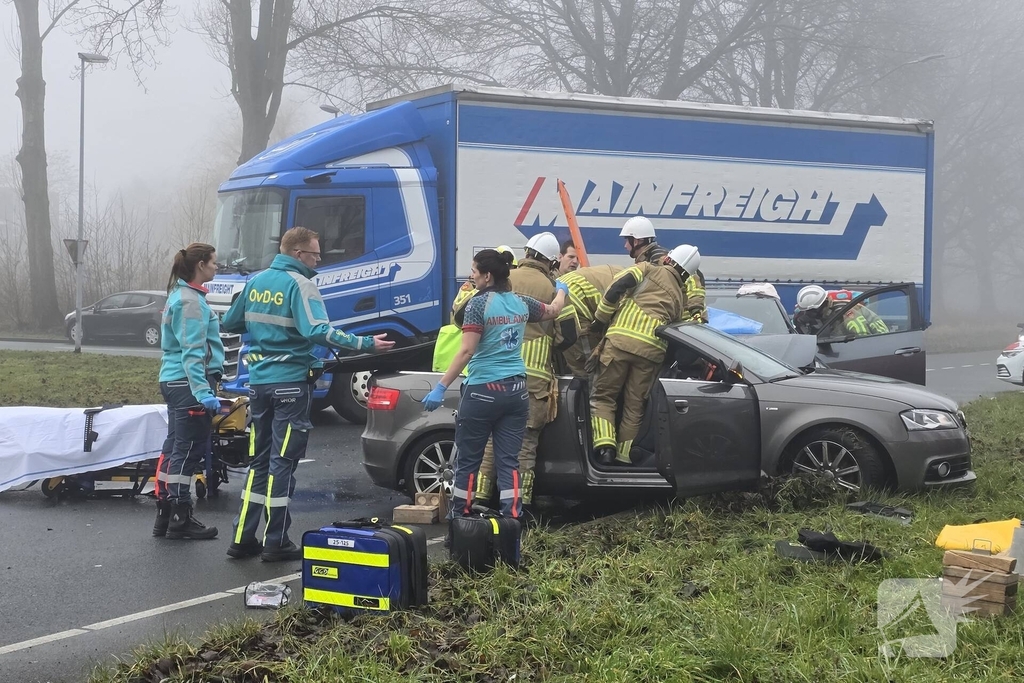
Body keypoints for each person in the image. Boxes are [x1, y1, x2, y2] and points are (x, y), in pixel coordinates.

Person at [221, 226, 394, 561]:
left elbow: (231, 322)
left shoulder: (256, 281)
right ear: (298, 254)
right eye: (315, 254)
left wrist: (264, 331)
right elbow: (317, 330)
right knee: (283, 464)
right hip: (290, 383)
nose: (318, 260)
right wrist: (366, 344)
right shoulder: (301, 284)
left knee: (259, 462)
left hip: (259, 385)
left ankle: (242, 538)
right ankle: (276, 541)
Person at [423, 248, 568, 520]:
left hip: (483, 392)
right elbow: (554, 310)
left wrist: (441, 386)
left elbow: (466, 351)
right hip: (516, 392)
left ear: (487, 276)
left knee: (468, 462)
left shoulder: (478, 305)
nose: (471, 275)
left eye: (474, 271)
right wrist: (561, 289)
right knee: (509, 462)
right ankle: (511, 520)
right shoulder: (521, 302)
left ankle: (461, 520)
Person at [472, 232, 577, 513]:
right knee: (525, 448)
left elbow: (465, 315)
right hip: (532, 384)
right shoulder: (554, 287)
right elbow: (568, 334)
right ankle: (520, 507)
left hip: (491, 377)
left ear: (527, 253)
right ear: (551, 260)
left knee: (490, 444)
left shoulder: (502, 281)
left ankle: (479, 500)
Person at [589, 245, 701, 467]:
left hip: (619, 344)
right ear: (687, 274)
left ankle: (605, 450)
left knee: (603, 397)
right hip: (651, 354)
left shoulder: (647, 269)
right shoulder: (680, 296)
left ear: (668, 259)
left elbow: (616, 288)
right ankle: (624, 457)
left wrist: (600, 318)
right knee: (634, 407)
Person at [154, 243, 224, 540]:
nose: (217, 267)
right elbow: (192, 352)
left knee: (174, 448)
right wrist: (202, 391)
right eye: (214, 262)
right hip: (187, 383)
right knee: (188, 452)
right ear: (201, 265)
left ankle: (165, 516)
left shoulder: (179, 296)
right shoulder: (191, 302)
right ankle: (181, 516)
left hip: (174, 381)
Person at [555, 264, 623, 377]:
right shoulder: (636, 290)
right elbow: (618, 328)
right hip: (574, 306)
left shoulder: (627, 275)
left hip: (564, 294)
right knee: (589, 369)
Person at [792, 285, 889, 337]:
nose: (810, 313)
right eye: (807, 310)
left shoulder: (846, 310)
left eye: (813, 310)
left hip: (879, 337)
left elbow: (862, 335)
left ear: (825, 302)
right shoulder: (802, 313)